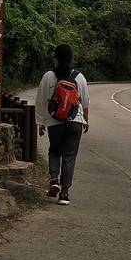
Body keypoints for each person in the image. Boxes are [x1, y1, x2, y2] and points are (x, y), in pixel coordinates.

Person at [35, 44, 89, 205]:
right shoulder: (79, 77)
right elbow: (85, 103)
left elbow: (40, 101)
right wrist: (85, 121)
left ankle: (54, 180)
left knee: (54, 150)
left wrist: (40, 123)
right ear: (71, 58)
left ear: (56, 57)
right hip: (75, 122)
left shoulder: (48, 76)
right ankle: (64, 194)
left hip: (54, 122)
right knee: (69, 156)